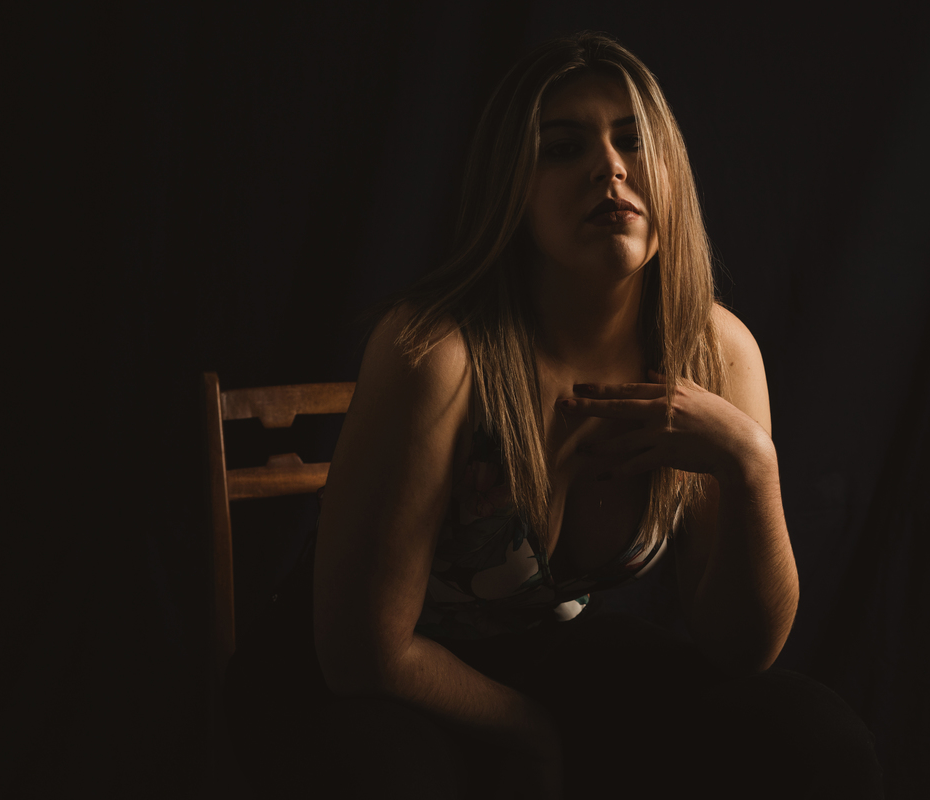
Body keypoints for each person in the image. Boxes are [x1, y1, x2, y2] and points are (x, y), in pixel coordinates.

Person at [226, 31, 884, 799]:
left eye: (633, 141)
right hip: (355, 679)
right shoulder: (437, 353)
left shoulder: (715, 352)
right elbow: (360, 653)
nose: (610, 168)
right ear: (514, 188)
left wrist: (751, 466)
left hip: (536, 653)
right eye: (565, 148)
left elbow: (743, 652)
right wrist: (530, 730)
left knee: (813, 742)